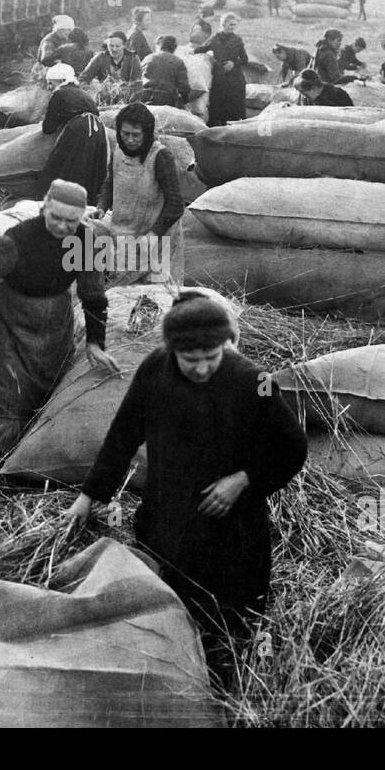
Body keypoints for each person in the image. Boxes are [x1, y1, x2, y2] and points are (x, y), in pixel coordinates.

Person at [65, 291, 308, 687]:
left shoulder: (254, 381)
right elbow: (123, 436)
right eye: (190, 361)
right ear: (172, 348)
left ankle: (224, 687)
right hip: (168, 513)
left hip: (231, 527)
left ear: (226, 345)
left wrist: (245, 479)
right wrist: (89, 496)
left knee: (228, 625)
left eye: (211, 359)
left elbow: (293, 447)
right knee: (166, 609)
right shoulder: (154, 370)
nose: (201, 369)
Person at [0, 179, 118, 454]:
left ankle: (34, 451)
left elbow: (93, 294)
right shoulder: (16, 239)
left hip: (53, 322)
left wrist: (95, 343)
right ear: (44, 207)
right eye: (55, 217)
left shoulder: (86, 241)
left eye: (70, 221)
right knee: (7, 388)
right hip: (6, 318)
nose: (61, 226)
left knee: (47, 383)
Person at [93, 102, 185, 286]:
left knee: (131, 287)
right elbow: (111, 182)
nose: (130, 140)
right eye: (125, 134)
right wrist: (102, 206)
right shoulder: (119, 152)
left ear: (147, 133)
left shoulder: (160, 157)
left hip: (152, 235)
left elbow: (176, 204)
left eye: (136, 135)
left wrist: (154, 234)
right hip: (123, 231)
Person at [34, 64, 108, 201]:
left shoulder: (59, 94)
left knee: (61, 166)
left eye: (50, 83)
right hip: (99, 131)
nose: (49, 87)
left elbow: (48, 128)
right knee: (89, 169)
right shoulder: (83, 94)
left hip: (79, 129)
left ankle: (50, 199)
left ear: (60, 81)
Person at [194, 12, 249, 126]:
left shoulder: (237, 39)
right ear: (223, 24)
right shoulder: (215, 38)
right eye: (230, 24)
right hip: (220, 74)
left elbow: (245, 59)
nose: (232, 27)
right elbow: (203, 48)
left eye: (234, 25)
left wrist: (233, 63)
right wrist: (191, 51)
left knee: (234, 104)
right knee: (217, 102)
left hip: (234, 76)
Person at [78, 30, 141, 99]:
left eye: (117, 46)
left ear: (124, 46)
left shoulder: (132, 58)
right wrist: (93, 90)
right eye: (111, 46)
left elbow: (137, 82)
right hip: (104, 98)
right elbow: (82, 79)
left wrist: (125, 89)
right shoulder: (100, 57)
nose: (114, 49)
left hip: (127, 98)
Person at [139, 35, 192, 108]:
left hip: (145, 98)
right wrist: (186, 101)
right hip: (167, 101)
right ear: (174, 48)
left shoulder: (148, 58)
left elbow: (138, 79)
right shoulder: (178, 62)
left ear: (159, 46)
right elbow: (184, 87)